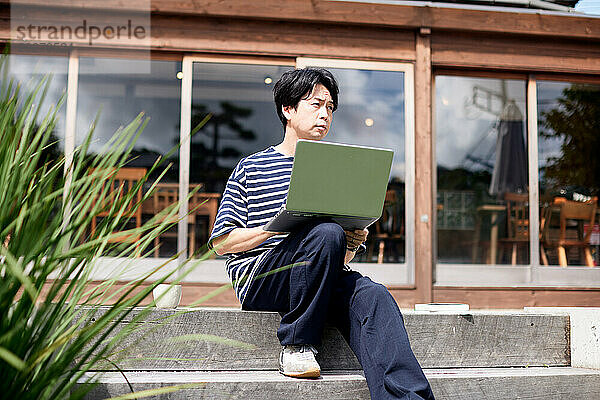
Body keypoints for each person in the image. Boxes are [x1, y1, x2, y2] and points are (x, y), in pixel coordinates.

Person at [208, 67, 435, 399]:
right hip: (262, 279)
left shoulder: (335, 170)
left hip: (317, 278)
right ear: (288, 109)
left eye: (330, 108)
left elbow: (328, 252)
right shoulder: (252, 167)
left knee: (374, 295)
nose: (325, 115)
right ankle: (298, 344)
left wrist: (350, 244)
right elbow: (221, 243)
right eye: (315, 104)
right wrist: (274, 228)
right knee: (326, 231)